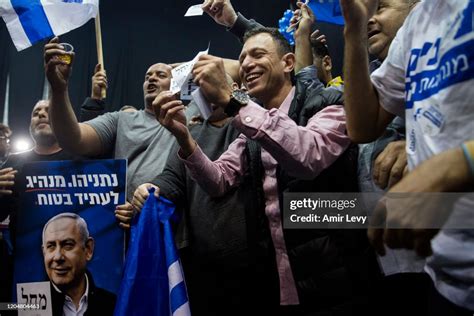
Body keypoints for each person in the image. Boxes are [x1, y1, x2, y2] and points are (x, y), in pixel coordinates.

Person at [149, 25, 374, 313]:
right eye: (242, 59)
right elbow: (218, 180)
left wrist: (233, 102)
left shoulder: (328, 102)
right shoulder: (252, 129)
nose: (246, 65)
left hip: (340, 281)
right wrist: (184, 137)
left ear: (288, 63)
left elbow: (308, 156)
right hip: (278, 286)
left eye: (258, 54)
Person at [342, 0, 474, 313]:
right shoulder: (418, 20)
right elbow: (363, 125)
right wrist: (353, 31)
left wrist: (456, 165)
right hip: (447, 280)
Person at [43, 37, 196, 207]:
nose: (151, 79)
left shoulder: (192, 116)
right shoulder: (121, 119)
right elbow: (73, 139)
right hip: (123, 220)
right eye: (147, 77)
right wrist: (58, 89)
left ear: (177, 83)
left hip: (176, 220)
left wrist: (182, 69)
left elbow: (222, 72)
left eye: (161, 75)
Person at [42, 213, 116, 316]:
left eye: (67, 245)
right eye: (51, 246)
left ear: (88, 249)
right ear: (44, 252)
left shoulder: (114, 306)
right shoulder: (26, 305)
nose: (58, 257)